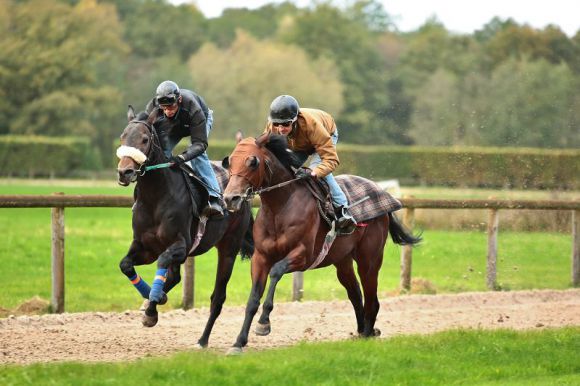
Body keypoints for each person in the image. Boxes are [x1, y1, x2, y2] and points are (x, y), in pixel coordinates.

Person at [264, 95, 356, 232]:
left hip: (326, 135)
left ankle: (342, 210)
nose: (280, 128)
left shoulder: (312, 125)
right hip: (301, 144)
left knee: (318, 171)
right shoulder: (272, 127)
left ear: (294, 121)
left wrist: (313, 173)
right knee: (285, 167)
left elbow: (331, 160)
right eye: (277, 124)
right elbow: (266, 151)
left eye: (286, 124)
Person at [145, 80, 224, 218]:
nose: (168, 111)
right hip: (175, 124)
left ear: (179, 99)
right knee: (161, 152)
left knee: (197, 154)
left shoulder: (194, 108)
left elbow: (200, 144)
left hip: (199, 120)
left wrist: (182, 158)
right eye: (164, 108)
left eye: (171, 107)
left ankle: (214, 198)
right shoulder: (153, 107)